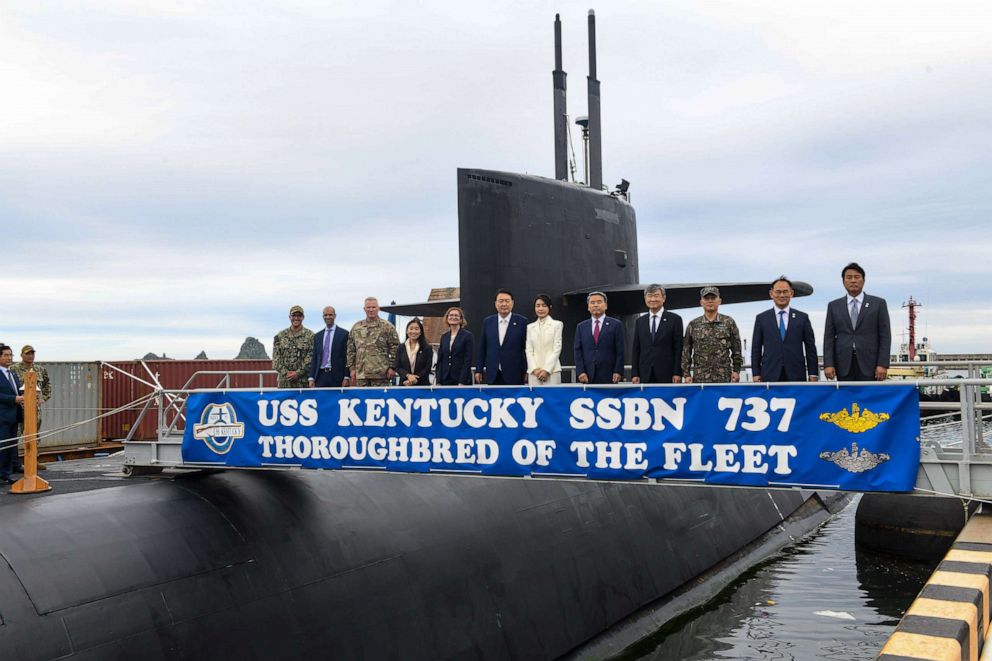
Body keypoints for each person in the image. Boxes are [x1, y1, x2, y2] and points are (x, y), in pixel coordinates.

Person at [823, 262, 891, 381]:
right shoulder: (834, 306)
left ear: (863, 280)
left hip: (871, 364)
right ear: (843, 281)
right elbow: (828, 337)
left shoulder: (878, 304)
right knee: (846, 399)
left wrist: (883, 364)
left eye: (857, 277)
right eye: (849, 278)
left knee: (868, 399)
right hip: (843, 364)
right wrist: (828, 364)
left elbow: (885, 336)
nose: (853, 281)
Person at [751, 277, 819, 383]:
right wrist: (756, 373)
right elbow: (756, 348)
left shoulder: (802, 318)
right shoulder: (761, 318)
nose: (782, 295)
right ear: (771, 294)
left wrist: (813, 373)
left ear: (791, 293)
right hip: (770, 374)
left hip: (796, 374)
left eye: (785, 292)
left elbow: (810, 347)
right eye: (778, 292)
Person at [682, 286, 743, 383]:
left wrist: (736, 371)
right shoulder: (693, 324)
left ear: (719, 301)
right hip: (700, 379)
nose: (710, 301)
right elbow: (686, 352)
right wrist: (686, 374)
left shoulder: (728, 322)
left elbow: (737, 349)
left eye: (713, 298)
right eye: (706, 298)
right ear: (701, 302)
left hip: (724, 378)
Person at [631, 285, 683, 384]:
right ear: (645, 299)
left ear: (663, 298)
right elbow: (636, 349)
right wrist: (635, 373)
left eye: (656, 296)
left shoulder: (675, 319)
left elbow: (678, 348)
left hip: (667, 373)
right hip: (645, 373)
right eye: (650, 296)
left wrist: (677, 372)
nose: (653, 299)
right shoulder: (640, 321)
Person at [475, 289, 528, 385]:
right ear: (495, 303)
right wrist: (479, 369)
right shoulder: (488, 322)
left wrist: (528, 370)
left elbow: (527, 348)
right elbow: (483, 348)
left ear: (512, 303)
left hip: (515, 373)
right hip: (493, 373)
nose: (504, 304)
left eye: (507, 301)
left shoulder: (522, 322)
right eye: (501, 301)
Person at [347, 297, 400, 387]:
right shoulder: (356, 327)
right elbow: (351, 349)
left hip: (381, 374)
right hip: (361, 375)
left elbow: (395, 348)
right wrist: (352, 369)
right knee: (362, 399)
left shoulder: (387, 327)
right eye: (368, 307)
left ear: (378, 308)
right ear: (364, 309)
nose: (371, 310)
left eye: (373, 307)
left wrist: (392, 367)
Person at [573, 291, 625, 384]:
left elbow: (620, 351)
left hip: (610, 375)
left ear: (605, 305)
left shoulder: (616, 325)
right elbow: (578, 351)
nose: (596, 305)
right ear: (588, 307)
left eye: (599, 302)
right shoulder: (581, 326)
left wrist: (618, 371)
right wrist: (580, 372)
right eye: (592, 303)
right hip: (587, 375)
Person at [11, 344, 52, 431]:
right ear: (22, 355)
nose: (30, 356)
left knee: (34, 435)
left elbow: (47, 384)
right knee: (15, 435)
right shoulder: (13, 369)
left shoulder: (40, 369)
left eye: (32, 354)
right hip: (17, 408)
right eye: (27, 354)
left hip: (34, 408)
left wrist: (43, 398)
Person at [525, 294, 564, 385]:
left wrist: (547, 370)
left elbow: (557, 349)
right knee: (535, 398)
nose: (540, 309)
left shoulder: (557, 325)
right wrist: (534, 369)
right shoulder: (530, 327)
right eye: (537, 306)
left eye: (544, 305)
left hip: (552, 371)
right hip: (534, 373)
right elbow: (529, 350)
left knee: (552, 398)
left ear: (549, 307)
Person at [272, 305, 314, 388]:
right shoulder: (280, 336)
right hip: (284, 382)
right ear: (289, 317)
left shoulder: (310, 336)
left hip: (302, 382)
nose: (296, 318)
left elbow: (310, 358)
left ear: (303, 317)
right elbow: (276, 360)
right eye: (293, 315)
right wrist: (286, 373)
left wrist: (298, 373)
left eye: (299, 316)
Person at [308, 306, 350, 388]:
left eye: (330, 315)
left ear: (335, 316)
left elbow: (347, 357)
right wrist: (311, 377)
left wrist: (346, 376)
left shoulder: (344, 334)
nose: (328, 317)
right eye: (325, 315)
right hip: (320, 376)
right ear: (323, 316)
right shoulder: (317, 336)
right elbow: (315, 358)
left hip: (337, 376)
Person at [0, 344, 24, 484]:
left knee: (10, 446)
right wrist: (13, 399)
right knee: (2, 447)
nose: (9, 358)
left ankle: (6, 473)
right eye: (6, 355)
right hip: (2, 416)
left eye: (11, 355)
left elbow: (17, 392)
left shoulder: (12, 373)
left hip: (13, 416)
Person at [437, 307, 475, 385]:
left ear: (461, 319)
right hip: (445, 379)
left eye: (456, 315)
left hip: (461, 379)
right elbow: (440, 359)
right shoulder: (444, 337)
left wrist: (462, 381)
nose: (453, 317)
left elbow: (467, 360)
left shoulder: (468, 336)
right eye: (451, 315)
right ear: (447, 318)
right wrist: (438, 380)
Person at [396, 318, 434, 386]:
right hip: (404, 384)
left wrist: (415, 379)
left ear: (420, 332)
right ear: (407, 331)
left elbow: (427, 368)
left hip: (422, 386)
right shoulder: (401, 347)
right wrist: (408, 376)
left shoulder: (427, 348)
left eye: (416, 329)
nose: (413, 331)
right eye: (411, 329)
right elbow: (398, 367)